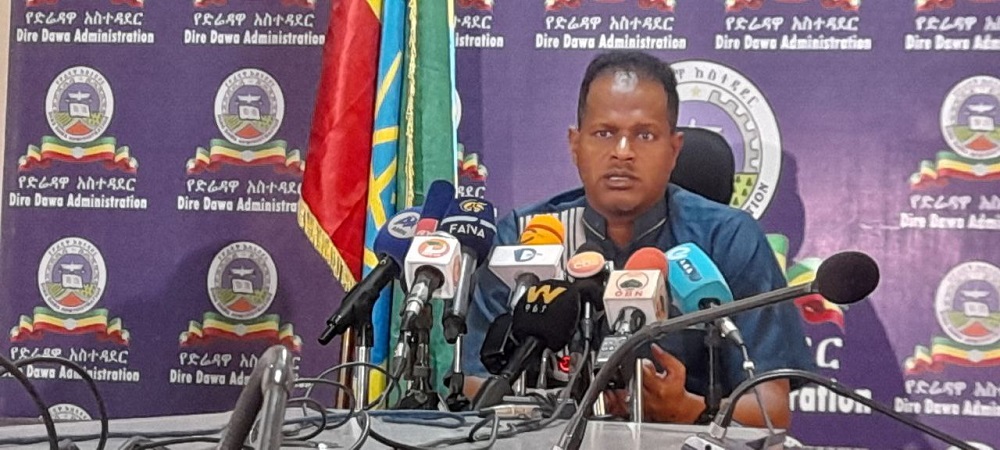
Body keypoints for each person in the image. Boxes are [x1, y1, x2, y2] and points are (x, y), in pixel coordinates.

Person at [461, 51, 814, 427]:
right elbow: (475, 384)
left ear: (674, 149)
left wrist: (687, 409)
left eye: (644, 135)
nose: (623, 152)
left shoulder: (728, 238)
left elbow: (770, 410)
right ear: (575, 144)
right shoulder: (526, 238)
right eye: (604, 133)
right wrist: (563, 407)